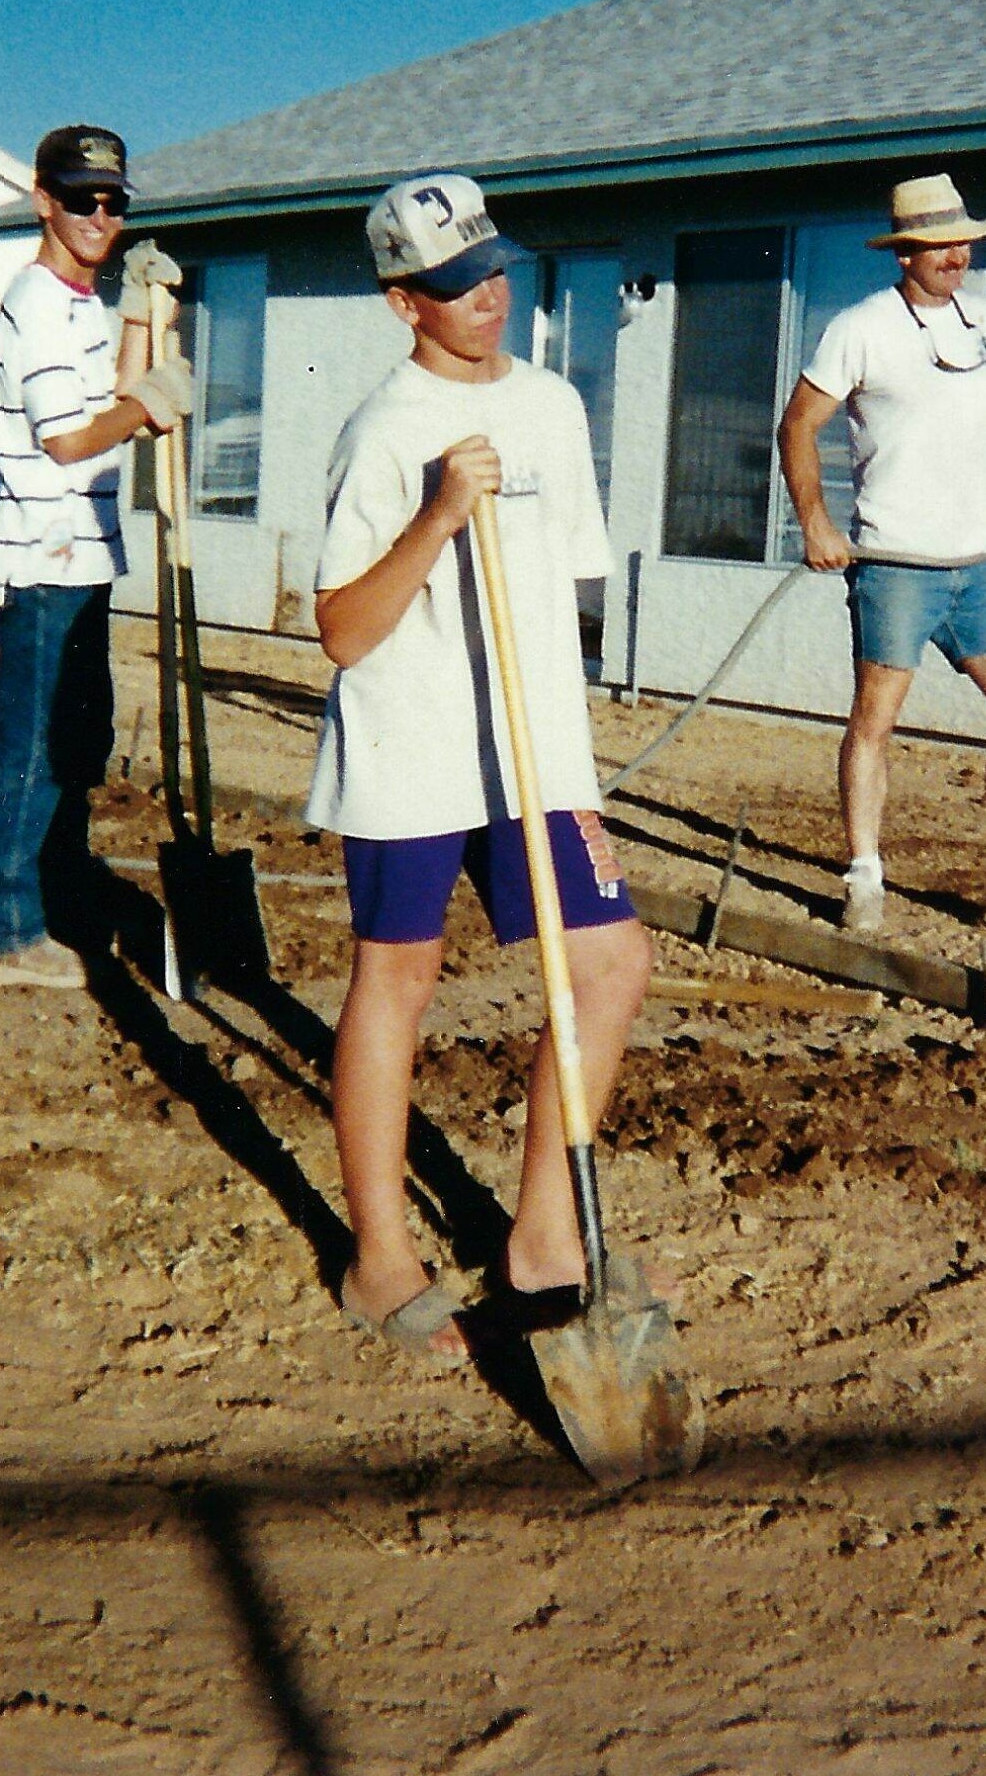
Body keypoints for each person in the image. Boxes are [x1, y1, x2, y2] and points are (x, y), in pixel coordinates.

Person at [306, 171, 652, 1363]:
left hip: (534, 752)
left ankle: (544, 1236)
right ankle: (379, 1258)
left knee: (609, 960)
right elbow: (344, 630)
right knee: (397, 981)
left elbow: (567, 593)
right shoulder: (382, 430)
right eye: (456, 285)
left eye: (495, 269)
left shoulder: (554, 405)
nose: (489, 295)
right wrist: (438, 514)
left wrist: (572, 753)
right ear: (405, 302)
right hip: (408, 748)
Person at [778, 171, 986, 935]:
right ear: (904, 254)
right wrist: (816, 524)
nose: (953, 254)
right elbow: (798, 425)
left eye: (961, 240)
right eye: (935, 244)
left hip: (978, 561)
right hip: (895, 563)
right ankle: (863, 876)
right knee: (875, 720)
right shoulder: (860, 327)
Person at [0, 125, 191, 988]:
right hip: (41, 557)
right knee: (32, 748)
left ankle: (48, 903)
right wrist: (149, 410)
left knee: (74, 741)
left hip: (84, 554)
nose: (100, 216)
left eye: (113, 202)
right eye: (81, 199)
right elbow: (68, 441)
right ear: (42, 201)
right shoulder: (32, 303)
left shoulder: (80, 305)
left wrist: (139, 315)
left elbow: (109, 399)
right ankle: (3, 934)